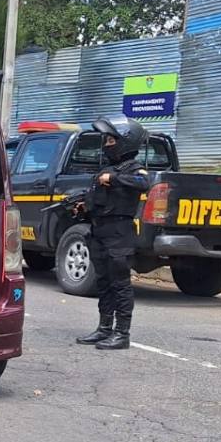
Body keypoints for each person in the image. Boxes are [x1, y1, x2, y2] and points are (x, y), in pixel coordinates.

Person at [75, 115, 150, 351]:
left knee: (120, 284)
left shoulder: (134, 169)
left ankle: (122, 334)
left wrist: (114, 178)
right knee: (104, 282)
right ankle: (104, 329)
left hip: (119, 233)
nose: (106, 144)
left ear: (124, 142)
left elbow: (143, 183)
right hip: (100, 231)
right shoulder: (106, 169)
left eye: (110, 140)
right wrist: (84, 207)